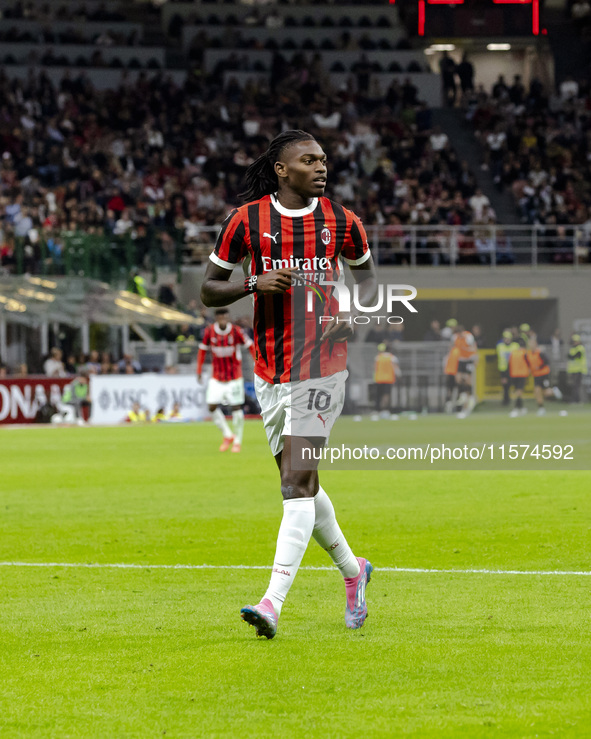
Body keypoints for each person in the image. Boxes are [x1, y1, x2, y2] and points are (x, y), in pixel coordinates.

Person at [200, 129, 377, 639]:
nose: (322, 167)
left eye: (324, 160)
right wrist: (253, 282)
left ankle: (272, 603)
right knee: (301, 486)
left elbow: (367, 286)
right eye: (309, 160)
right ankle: (353, 570)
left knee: (294, 486)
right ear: (282, 169)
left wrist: (351, 314)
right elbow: (209, 290)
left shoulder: (344, 223)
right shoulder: (245, 221)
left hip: (323, 366)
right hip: (270, 370)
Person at [196, 307, 256, 453]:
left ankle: (237, 441)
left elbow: (250, 346)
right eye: (220, 317)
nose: (223, 319)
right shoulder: (209, 332)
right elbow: (202, 351)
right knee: (211, 406)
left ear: (228, 318)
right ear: (217, 318)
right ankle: (227, 434)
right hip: (217, 377)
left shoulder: (236, 331)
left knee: (236, 407)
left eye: (225, 317)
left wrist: (257, 362)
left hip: (234, 377)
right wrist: (198, 370)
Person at [528, 338, 561, 415]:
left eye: (532, 343)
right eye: (530, 343)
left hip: (543, 374)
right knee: (537, 392)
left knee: (545, 392)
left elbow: (547, 361)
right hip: (536, 375)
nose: (531, 345)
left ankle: (553, 390)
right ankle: (541, 408)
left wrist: (539, 367)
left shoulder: (540, 352)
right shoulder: (529, 354)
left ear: (535, 344)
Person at [452, 324, 478, 418]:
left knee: (468, 381)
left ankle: (469, 400)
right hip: (461, 360)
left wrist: (475, 361)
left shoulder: (469, 337)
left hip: (469, 360)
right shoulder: (455, 338)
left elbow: (474, 348)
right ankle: (463, 395)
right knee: (458, 379)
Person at [372, 343, 400, 420]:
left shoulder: (378, 357)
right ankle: (384, 409)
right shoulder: (392, 358)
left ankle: (377, 410)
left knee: (378, 395)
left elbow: (375, 368)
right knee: (386, 395)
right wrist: (399, 376)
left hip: (379, 378)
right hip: (388, 379)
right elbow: (396, 368)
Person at [509, 338, 531, 417]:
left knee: (517, 392)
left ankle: (521, 408)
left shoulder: (513, 353)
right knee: (519, 392)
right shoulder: (525, 353)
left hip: (513, 374)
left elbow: (509, 363)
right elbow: (529, 362)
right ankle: (516, 408)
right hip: (522, 374)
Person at [496, 330, 518, 406]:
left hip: (514, 369)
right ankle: (506, 401)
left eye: (508, 338)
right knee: (505, 386)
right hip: (504, 369)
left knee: (516, 386)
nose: (507, 340)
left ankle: (517, 401)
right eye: (505, 338)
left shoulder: (515, 346)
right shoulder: (500, 346)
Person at [567, 334, 587, 403]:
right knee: (574, 386)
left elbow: (576, 356)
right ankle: (575, 400)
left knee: (576, 386)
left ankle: (576, 400)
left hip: (579, 370)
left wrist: (571, 356)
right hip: (573, 370)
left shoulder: (580, 348)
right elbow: (568, 356)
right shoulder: (572, 348)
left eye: (575, 341)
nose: (574, 342)